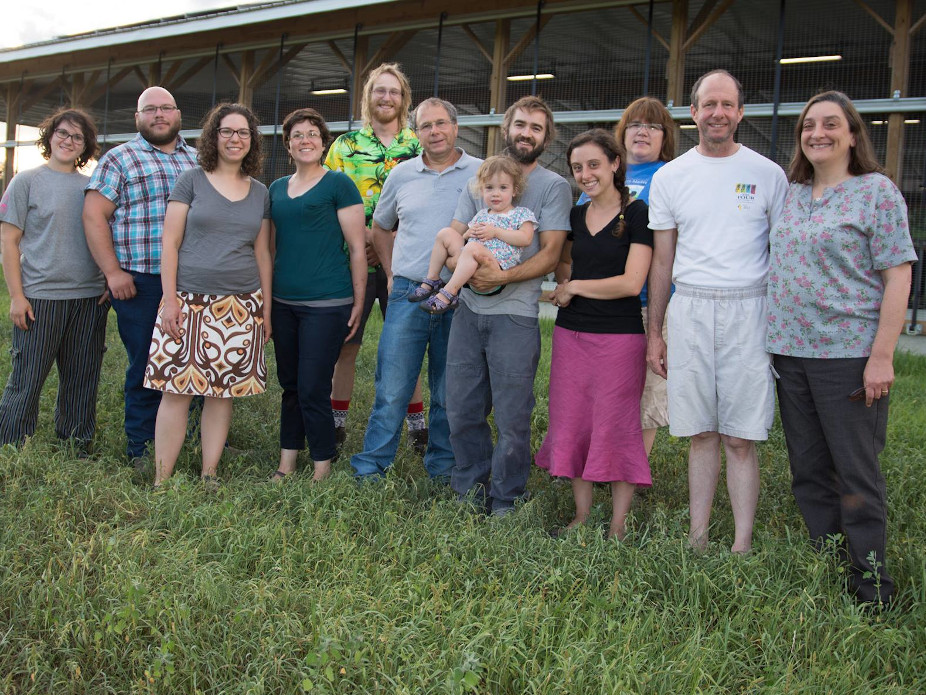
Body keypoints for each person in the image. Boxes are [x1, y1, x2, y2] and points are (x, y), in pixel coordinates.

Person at [767, 91, 915, 605]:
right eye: (809, 125)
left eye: (831, 124)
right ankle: (828, 565)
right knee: (807, 468)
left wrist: (881, 355)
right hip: (788, 353)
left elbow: (898, 275)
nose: (818, 133)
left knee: (854, 469)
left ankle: (872, 583)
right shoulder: (788, 192)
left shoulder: (876, 192)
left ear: (853, 133)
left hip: (848, 354)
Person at [646, 70, 789, 553]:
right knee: (701, 433)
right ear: (693, 113)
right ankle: (698, 537)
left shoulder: (768, 174)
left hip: (750, 310)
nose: (718, 113)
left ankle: (742, 544)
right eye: (709, 104)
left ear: (741, 112)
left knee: (740, 437)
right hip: (690, 307)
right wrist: (655, 333)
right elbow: (661, 261)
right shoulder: (671, 177)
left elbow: (783, 256)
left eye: (727, 104)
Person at [446, 95, 572, 516]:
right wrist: (459, 267)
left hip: (515, 316)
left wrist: (500, 276)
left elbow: (551, 253)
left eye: (536, 128)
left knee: (513, 417)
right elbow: (455, 234)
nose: (526, 133)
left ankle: (507, 498)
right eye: (521, 124)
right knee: (462, 406)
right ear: (507, 128)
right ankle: (470, 492)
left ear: (545, 136)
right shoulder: (480, 178)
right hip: (467, 310)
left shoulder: (552, 187)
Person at [350, 98, 482, 480]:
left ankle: (442, 467)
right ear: (416, 132)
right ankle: (372, 466)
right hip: (409, 290)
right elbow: (380, 227)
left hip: (460, 293)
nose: (435, 132)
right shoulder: (402, 174)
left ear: (456, 127)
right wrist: (392, 274)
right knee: (392, 385)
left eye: (441, 124)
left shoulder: (479, 172)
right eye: (426, 126)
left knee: (447, 388)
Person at [144, 103, 272, 487]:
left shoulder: (260, 192)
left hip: (240, 304)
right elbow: (171, 242)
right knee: (176, 391)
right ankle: (161, 478)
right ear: (213, 137)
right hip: (187, 300)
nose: (235, 139)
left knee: (221, 393)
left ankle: (209, 473)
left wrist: (265, 309)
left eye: (243, 133)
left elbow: (262, 252)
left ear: (252, 142)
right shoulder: (191, 180)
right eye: (227, 131)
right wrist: (169, 301)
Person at [535, 129, 653, 540]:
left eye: (594, 165)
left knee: (616, 425)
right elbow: (563, 264)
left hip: (620, 338)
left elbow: (631, 282)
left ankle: (618, 523)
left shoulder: (638, 214)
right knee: (572, 422)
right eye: (578, 168)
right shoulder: (573, 217)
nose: (586, 174)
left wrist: (576, 287)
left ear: (615, 164)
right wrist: (564, 284)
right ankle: (582, 515)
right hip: (571, 335)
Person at [84, 86, 197, 464]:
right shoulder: (120, 159)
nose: (159, 115)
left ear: (178, 114)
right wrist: (112, 272)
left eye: (166, 108)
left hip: (193, 282)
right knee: (148, 365)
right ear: (138, 118)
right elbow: (93, 215)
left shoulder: (198, 159)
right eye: (150, 109)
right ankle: (142, 448)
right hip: (141, 282)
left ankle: (189, 437)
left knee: (192, 361)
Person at [325, 63, 428, 453]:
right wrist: (362, 238)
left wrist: (388, 238)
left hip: (406, 262)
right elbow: (327, 199)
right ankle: (336, 424)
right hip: (352, 262)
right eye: (379, 91)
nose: (387, 98)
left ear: (404, 99)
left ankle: (417, 427)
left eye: (394, 91)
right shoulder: (345, 146)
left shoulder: (418, 147)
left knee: (406, 344)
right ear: (368, 97)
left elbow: (428, 204)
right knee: (347, 344)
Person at [0, 108, 108, 452]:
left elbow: (105, 235)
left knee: (81, 379)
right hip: (40, 298)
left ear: (85, 146)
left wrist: (108, 276)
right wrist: (17, 296)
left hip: (89, 299)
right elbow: (8, 241)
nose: (68, 141)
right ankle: (11, 445)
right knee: (27, 380)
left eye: (77, 137)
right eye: (62, 133)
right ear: (50, 137)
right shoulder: (26, 181)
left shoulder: (93, 187)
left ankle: (76, 445)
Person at [271, 108, 367, 482]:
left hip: (328, 303)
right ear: (288, 145)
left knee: (313, 385)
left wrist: (359, 302)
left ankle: (322, 465)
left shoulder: (339, 185)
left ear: (323, 142)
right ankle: (286, 462)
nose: (305, 139)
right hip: (283, 303)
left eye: (313, 133)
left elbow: (358, 249)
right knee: (290, 385)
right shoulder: (276, 189)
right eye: (297, 135)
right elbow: (271, 248)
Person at [578, 97, 677, 457]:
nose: (642, 131)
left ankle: (631, 469)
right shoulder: (601, 173)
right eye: (634, 124)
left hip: (649, 302)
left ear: (665, 137)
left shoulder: (673, 176)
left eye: (652, 126)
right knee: (599, 389)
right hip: (599, 301)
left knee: (645, 391)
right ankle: (593, 462)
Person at [411, 155, 536, 313]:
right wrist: (466, 235)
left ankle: (449, 293)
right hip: (470, 259)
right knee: (446, 233)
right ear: (482, 189)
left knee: (473, 248)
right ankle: (433, 278)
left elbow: (526, 238)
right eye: (489, 188)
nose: (495, 193)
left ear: (514, 190)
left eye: (503, 188)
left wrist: (496, 232)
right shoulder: (482, 214)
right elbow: (466, 243)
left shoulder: (521, 214)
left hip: (495, 268)